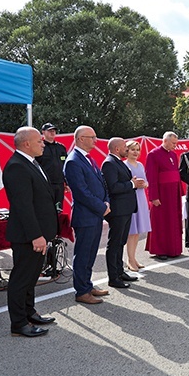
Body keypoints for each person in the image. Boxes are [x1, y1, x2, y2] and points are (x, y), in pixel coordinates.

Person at [2, 127, 58, 337]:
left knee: (31, 277)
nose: (43, 144)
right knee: (21, 279)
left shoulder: (30, 163)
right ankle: (19, 323)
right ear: (26, 144)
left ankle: (29, 312)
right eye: (39, 141)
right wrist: (36, 235)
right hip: (28, 235)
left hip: (37, 233)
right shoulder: (17, 166)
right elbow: (23, 206)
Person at [63, 126, 111, 304]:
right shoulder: (73, 161)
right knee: (83, 254)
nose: (96, 140)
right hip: (86, 216)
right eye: (92, 137)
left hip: (95, 214)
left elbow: (101, 183)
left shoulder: (88, 159)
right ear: (81, 139)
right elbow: (81, 192)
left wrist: (106, 202)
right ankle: (82, 291)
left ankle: (87, 285)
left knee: (90, 253)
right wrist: (101, 207)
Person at [101, 137, 144, 288]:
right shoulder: (109, 163)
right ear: (117, 149)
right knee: (114, 243)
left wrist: (131, 181)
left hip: (126, 209)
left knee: (120, 242)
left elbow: (121, 181)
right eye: (125, 147)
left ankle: (120, 272)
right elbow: (113, 187)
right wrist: (132, 183)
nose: (127, 149)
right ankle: (113, 277)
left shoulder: (117, 162)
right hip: (118, 210)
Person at [145, 131, 183, 260]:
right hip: (162, 194)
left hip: (173, 194)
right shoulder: (153, 155)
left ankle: (174, 249)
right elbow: (151, 177)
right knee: (161, 222)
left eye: (176, 144)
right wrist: (154, 196)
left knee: (173, 220)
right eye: (173, 143)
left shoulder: (173, 154)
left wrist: (180, 192)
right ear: (165, 141)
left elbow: (175, 174)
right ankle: (160, 250)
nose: (175, 146)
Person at [124, 140, 150, 270]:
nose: (136, 152)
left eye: (138, 150)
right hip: (130, 198)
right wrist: (133, 183)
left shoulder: (140, 165)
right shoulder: (124, 165)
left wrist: (145, 184)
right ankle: (129, 260)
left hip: (141, 198)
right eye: (133, 149)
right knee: (131, 231)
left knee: (137, 231)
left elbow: (146, 181)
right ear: (127, 150)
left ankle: (133, 258)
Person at [36, 123, 68, 211]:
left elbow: (65, 166)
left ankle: (59, 224)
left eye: (54, 130)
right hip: (45, 184)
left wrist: (66, 182)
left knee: (59, 209)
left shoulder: (61, 148)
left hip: (59, 184)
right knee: (46, 208)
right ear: (43, 132)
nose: (52, 132)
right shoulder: (40, 147)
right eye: (49, 130)